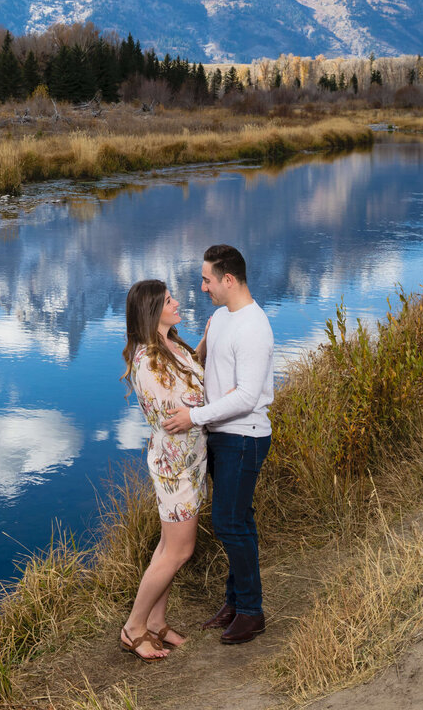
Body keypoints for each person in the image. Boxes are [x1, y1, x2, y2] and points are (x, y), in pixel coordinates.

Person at [163, 244, 274, 646]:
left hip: (244, 436)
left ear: (229, 279)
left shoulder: (254, 327)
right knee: (237, 520)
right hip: (223, 435)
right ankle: (235, 601)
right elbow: (204, 366)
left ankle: (251, 611)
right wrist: (192, 347)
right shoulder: (222, 318)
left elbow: (246, 397)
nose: (203, 286)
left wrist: (192, 417)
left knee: (230, 523)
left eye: (208, 279)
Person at [120, 279, 207, 662]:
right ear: (152, 312)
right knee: (179, 551)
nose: (177, 303)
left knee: (166, 547)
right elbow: (182, 408)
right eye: (169, 300)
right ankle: (133, 628)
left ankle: (156, 623)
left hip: (189, 460)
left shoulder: (170, 346)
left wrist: (206, 343)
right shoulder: (147, 361)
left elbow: (192, 379)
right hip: (175, 469)